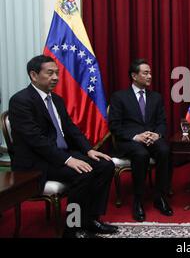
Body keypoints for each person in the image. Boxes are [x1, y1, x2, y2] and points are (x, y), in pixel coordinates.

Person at [9, 55, 117, 238]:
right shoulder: (21, 101)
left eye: (57, 73)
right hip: (36, 161)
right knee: (84, 173)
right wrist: (68, 160)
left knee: (106, 165)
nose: (56, 77)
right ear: (34, 75)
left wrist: (89, 150)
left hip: (59, 154)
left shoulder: (56, 100)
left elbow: (70, 128)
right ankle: (72, 229)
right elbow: (36, 140)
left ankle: (90, 219)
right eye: (50, 73)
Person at [109, 59, 173, 222]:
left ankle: (160, 197)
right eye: (145, 73)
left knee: (165, 150)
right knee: (141, 154)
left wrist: (157, 134)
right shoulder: (119, 97)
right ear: (134, 76)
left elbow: (162, 122)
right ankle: (138, 200)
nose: (150, 76)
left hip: (151, 138)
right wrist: (136, 136)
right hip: (129, 141)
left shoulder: (156, 97)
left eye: (150, 73)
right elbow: (115, 125)